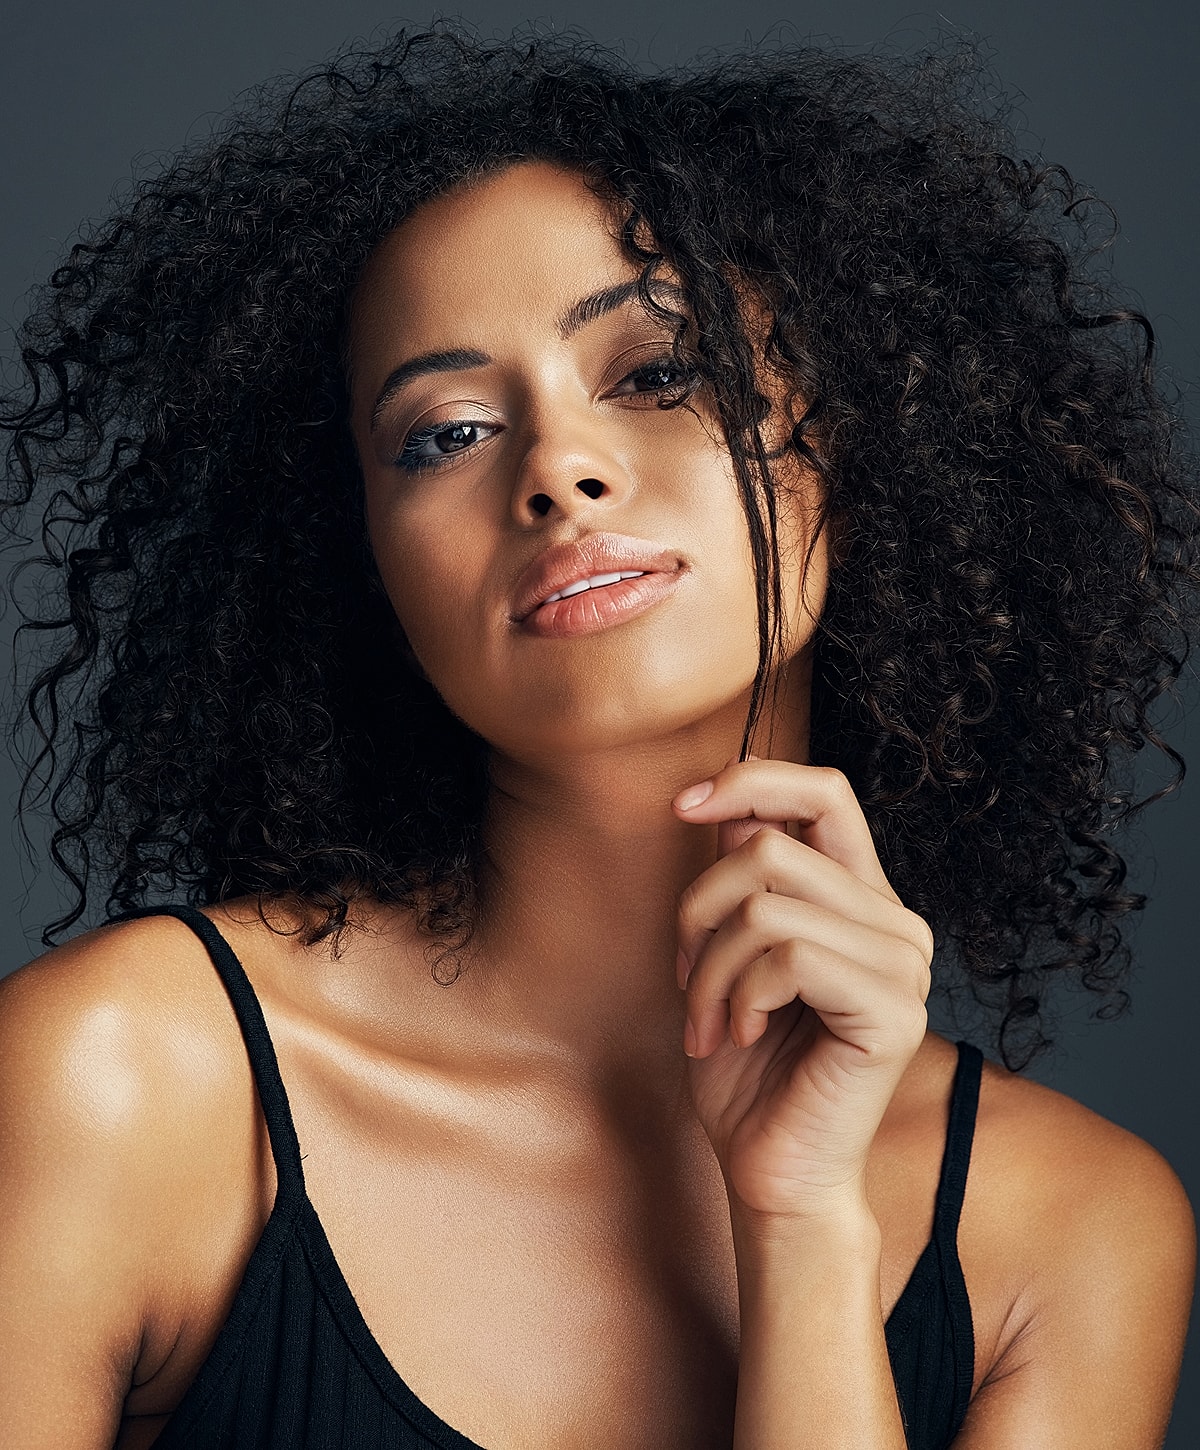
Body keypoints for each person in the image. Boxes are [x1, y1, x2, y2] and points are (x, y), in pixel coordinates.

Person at [0, 21, 1195, 1449]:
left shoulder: (1072, 1228)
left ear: (864, 433)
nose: (557, 470)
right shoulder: (127, 1080)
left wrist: (802, 1222)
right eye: (444, 431)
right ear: (362, 561)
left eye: (657, 372)